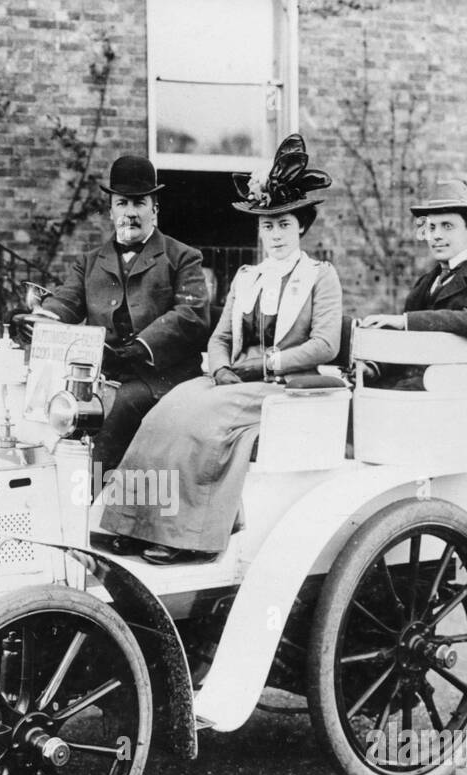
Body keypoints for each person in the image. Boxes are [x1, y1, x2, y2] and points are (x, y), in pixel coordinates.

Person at [98, 134, 342, 564]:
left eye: (285, 225)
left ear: (301, 226)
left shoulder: (320, 277)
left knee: (201, 423)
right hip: (234, 380)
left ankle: (183, 536)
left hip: (283, 385)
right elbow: (221, 335)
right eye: (268, 225)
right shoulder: (250, 277)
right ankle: (131, 524)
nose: (276, 235)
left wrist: (264, 364)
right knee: (164, 411)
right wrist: (223, 365)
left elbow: (325, 343)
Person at [33, 155, 209, 474]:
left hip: (161, 379)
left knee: (110, 413)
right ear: (111, 210)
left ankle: (89, 503)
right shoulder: (88, 263)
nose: (130, 212)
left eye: (139, 203)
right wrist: (42, 319)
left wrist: (139, 348)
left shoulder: (182, 257)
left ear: (155, 208)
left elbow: (191, 315)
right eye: (122, 203)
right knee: (48, 414)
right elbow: (66, 302)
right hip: (105, 378)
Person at [356, 179, 467, 389]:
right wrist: (372, 368)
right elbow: (407, 345)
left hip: (457, 389)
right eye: (431, 227)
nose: (437, 235)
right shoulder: (426, 282)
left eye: (447, 226)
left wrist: (405, 321)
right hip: (416, 386)